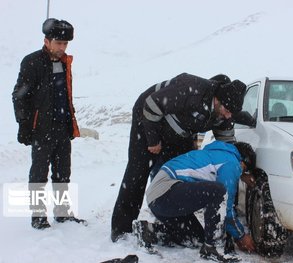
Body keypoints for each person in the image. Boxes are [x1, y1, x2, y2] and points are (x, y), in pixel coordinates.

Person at [111, 73, 247, 242]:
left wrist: (237, 164)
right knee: (138, 171)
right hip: (148, 118)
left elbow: (227, 146)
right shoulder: (191, 90)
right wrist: (153, 140)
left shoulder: (225, 114)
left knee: (183, 173)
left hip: (179, 131)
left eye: (231, 114)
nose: (228, 117)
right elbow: (152, 105)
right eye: (227, 111)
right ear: (218, 100)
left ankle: (178, 223)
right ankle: (121, 229)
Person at [12, 18, 84, 229]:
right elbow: (19, 96)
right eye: (58, 43)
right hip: (41, 128)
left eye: (65, 44)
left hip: (62, 126)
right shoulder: (32, 62)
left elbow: (65, 94)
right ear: (47, 41)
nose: (62, 48)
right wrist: (24, 125)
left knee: (63, 173)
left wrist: (70, 122)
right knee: (39, 174)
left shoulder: (65, 62)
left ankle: (62, 213)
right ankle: (38, 217)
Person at [134, 141, 256, 262]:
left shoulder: (216, 154)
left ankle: (148, 231)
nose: (241, 174)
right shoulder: (232, 162)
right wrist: (241, 235)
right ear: (243, 162)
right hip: (165, 192)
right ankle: (214, 248)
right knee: (219, 191)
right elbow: (226, 205)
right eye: (244, 170)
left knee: (196, 239)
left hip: (158, 198)